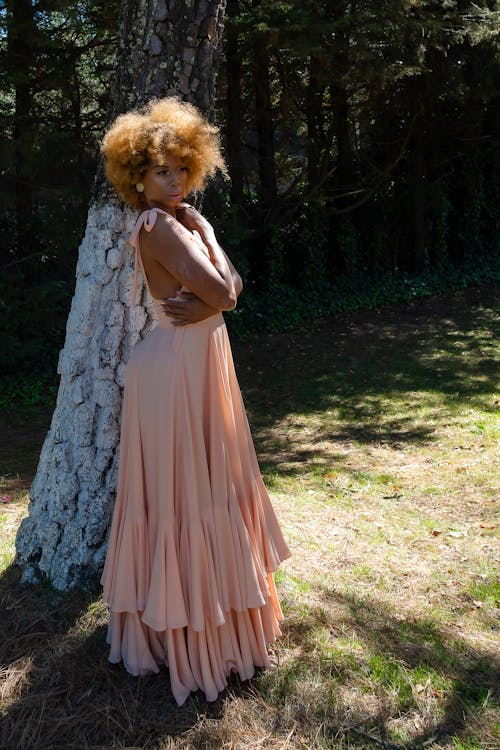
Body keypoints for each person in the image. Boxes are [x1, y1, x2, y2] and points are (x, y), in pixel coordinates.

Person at [99, 96, 291, 706]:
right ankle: (180, 636)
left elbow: (227, 291)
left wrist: (208, 236)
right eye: (161, 171)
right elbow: (229, 294)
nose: (175, 180)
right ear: (137, 178)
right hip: (176, 371)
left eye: (182, 168)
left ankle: (219, 624)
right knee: (186, 497)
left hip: (200, 364)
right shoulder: (156, 226)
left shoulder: (188, 223)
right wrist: (220, 292)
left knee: (210, 487)